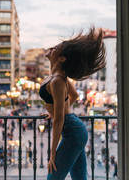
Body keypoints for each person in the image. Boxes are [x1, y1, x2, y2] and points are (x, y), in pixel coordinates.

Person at [39, 27, 106, 180]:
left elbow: (60, 119)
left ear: (62, 59)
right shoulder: (58, 77)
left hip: (72, 132)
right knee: (80, 178)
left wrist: (53, 152)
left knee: (53, 178)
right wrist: (55, 112)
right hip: (76, 130)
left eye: (56, 49)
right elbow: (74, 95)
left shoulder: (58, 81)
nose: (52, 48)